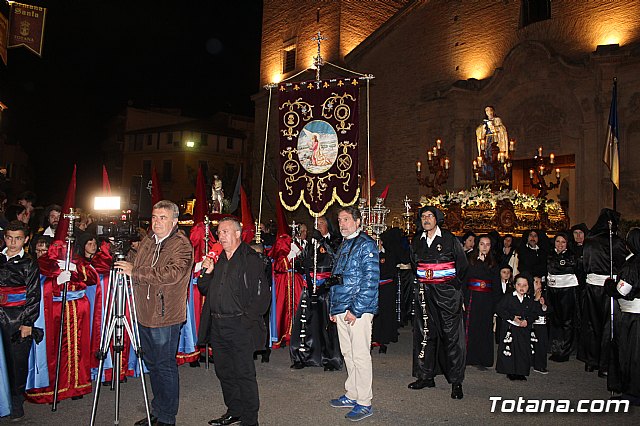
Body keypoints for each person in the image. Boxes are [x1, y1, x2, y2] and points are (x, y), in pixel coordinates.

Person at [115, 200, 194, 426]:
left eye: (162, 218)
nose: (157, 222)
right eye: (154, 217)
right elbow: (134, 262)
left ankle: (167, 418)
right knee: (153, 364)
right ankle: (158, 411)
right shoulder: (149, 240)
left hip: (165, 315)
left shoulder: (181, 244)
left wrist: (136, 272)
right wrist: (122, 259)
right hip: (144, 313)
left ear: (174, 221)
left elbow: (173, 273)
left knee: (165, 366)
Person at [197, 217, 270, 426]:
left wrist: (246, 321)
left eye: (225, 231)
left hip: (240, 325)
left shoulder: (251, 258)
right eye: (219, 232)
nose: (221, 236)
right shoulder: (219, 259)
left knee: (244, 373)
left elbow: (262, 296)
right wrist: (206, 273)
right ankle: (234, 411)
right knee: (224, 371)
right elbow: (205, 289)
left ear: (238, 234)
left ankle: (250, 420)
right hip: (218, 325)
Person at [409, 205, 468, 399]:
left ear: (437, 219)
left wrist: (453, 289)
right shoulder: (417, 240)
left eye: (430, 216)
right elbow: (414, 264)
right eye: (423, 216)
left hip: (447, 295)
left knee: (452, 338)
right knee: (425, 334)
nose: (426, 219)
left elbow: (462, 266)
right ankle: (425, 376)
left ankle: (456, 382)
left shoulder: (450, 239)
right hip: (424, 295)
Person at [328, 207, 379, 422]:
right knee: (348, 354)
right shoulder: (345, 244)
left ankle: (365, 402)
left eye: (347, 219)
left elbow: (370, 280)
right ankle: (352, 393)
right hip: (342, 308)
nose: (342, 224)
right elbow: (336, 278)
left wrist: (356, 310)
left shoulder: (366, 244)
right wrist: (334, 308)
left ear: (358, 221)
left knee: (360, 355)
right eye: (340, 220)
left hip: (358, 310)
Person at [289, 215, 343, 371]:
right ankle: (303, 356)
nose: (318, 226)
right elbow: (301, 263)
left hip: (325, 288)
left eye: (322, 223)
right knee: (305, 323)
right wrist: (300, 262)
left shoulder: (335, 240)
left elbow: (336, 259)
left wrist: (324, 242)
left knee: (326, 324)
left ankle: (330, 359)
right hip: (309, 286)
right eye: (316, 223)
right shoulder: (311, 243)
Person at [579, 209, 628, 377]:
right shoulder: (617, 242)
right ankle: (605, 364)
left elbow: (584, 265)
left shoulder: (589, 241)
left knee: (592, 324)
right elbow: (622, 265)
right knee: (609, 326)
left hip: (592, 286)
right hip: (609, 288)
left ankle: (591, 361)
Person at [0, 221, 41, 420]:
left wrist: (28, 322)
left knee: (17, 362)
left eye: (17, 238)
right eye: (9, 237)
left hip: (17, 318)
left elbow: (34, 295)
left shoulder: (29, 263)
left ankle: (17, 401)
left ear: (25, 240)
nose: (12, 242)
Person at [604, 227, 640, 406]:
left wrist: (609, 285)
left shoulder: (633, 264)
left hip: (633, 317)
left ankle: (633, 393)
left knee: (631, 354)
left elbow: (623, 291)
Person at [496, 274, 545, 381]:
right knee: (511, 349)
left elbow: (534, 313)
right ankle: (510, 371)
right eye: (519, 285)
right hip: (511, 327)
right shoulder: (509, 297)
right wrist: (513, 318)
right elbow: (499, 309)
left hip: (524, 328)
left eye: (525, 285)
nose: (522, 287)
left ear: (528, 287)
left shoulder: (529, 299)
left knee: (523, 350)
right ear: (514, 285)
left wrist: (527, 320)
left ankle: (521, 371)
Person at [464, 234, 500, 370]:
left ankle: (483, 359)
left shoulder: (494, 263)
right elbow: (464, 279)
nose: (485, 247)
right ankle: (468, 357)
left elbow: (496, 284)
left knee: (485, 328)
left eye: (488, 244)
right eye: (482, 244)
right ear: (477, 245)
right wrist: (462, 298)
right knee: (471, 327)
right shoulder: (469, 260)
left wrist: (496, 304)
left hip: (487, 300)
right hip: (472, 297)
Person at [547, 232, 578, 362]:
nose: (560, 244)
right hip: (552, 290)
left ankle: (565, 350)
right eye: (557, 241)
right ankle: (555, 348)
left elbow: (567, 267)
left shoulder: (571, 255)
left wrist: (560, 266)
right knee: (554, 319)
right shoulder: (549, 254)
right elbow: (552, 268)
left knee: (566, 320)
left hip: (567, 290)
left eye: (563, 242)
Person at [531, 276, 550, 374]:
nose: (539, 285)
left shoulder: (544, 295)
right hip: (532, 325)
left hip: (542, 324)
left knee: (542, 345)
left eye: (540, 282)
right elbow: (529, 310)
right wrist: (535, 300)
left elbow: (548, 310)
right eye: (536, 282)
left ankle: (540, 365)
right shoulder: (529, 296)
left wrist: (543, 305)